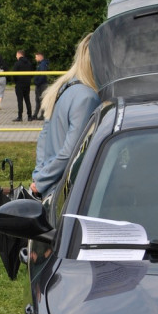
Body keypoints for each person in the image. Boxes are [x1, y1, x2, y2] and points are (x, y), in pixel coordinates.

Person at [30, 34, 100, 197]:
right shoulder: (88, 97)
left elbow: (43, 138)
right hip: (66, 189)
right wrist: (41, 180)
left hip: (50, 186)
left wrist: (39, 176)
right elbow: (72, 151)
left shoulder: (62, 88)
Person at [11, 49, 33, 122]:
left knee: (20, 101)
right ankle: (29, 116)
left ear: (20, 54)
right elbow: (31, 74)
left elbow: (14, 74)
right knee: (27, 100)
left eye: (16, 54)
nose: (16, 56)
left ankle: (20, 116)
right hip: (27, 84)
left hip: (19, 84)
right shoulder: (29, 63)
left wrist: (16, 81)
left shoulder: (17, 64)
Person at [34, 51, 49, 120]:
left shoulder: (42, 64)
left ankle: (41, 115)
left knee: (40, 99)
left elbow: (42, 75)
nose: (35, 58)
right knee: (39, 100)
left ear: (40, 56)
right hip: (41, 84)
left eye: (36, 57)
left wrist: (38, 82)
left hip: (41, 85)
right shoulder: (41, 64)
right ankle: (36, 114)